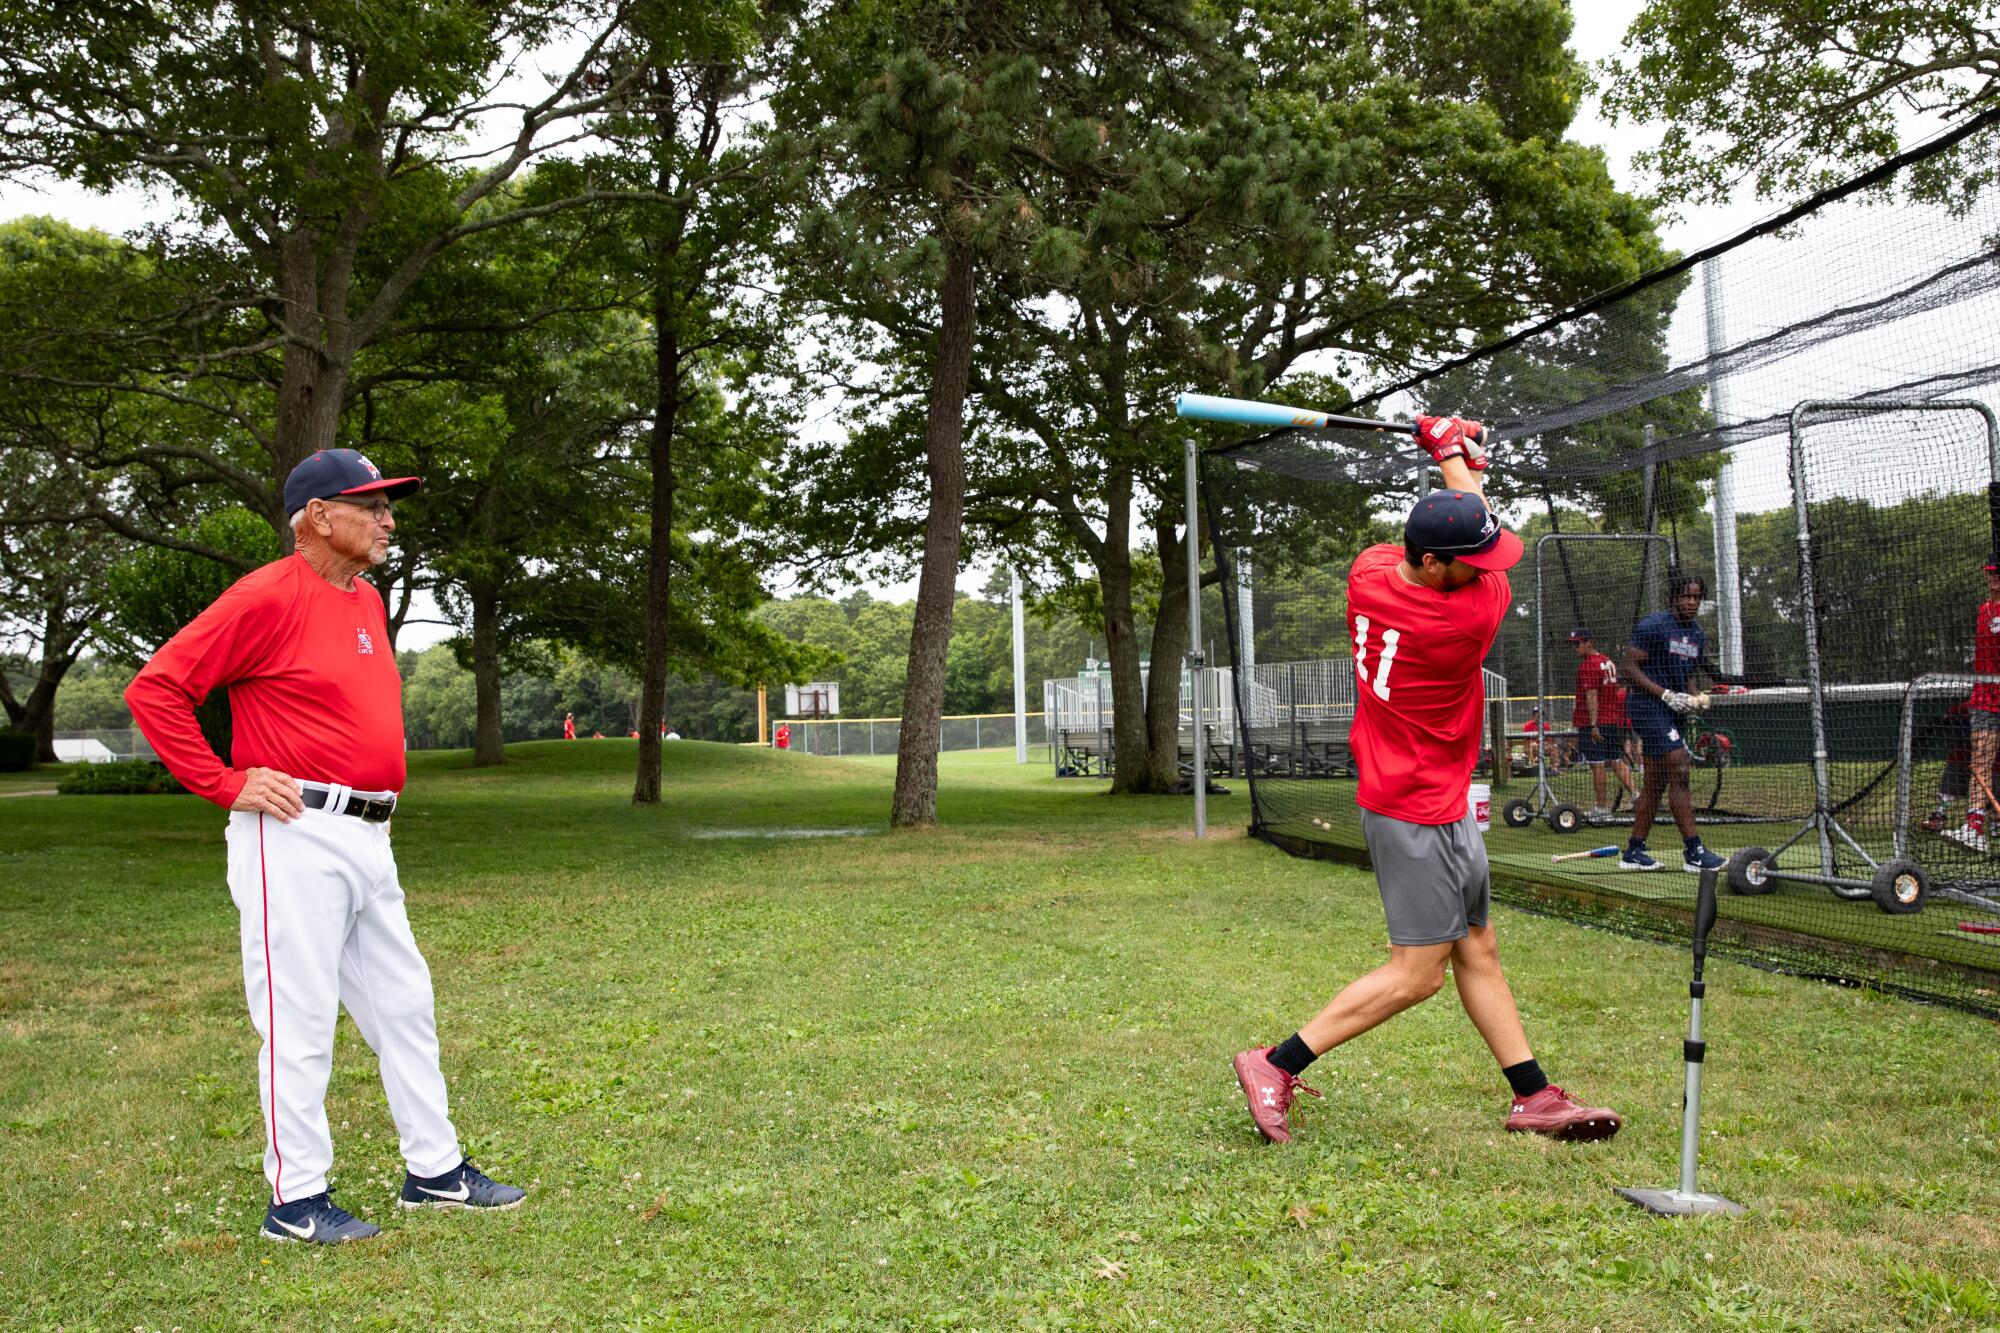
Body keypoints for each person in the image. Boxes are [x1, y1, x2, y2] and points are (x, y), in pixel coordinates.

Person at [124, 448, 526, 1247]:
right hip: (294, 833)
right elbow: (156, 689)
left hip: (370, 835)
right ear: (317, 516)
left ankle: (435, 1170)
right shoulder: (266, 593)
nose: (389, 518)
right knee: (299, 1020)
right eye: (371, 504)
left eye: (389, 504)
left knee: (405, 1005)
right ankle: (296, 1199)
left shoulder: (367, 600)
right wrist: (224, 781)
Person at [1232, 415, 1622, 1147]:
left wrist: (1458, 461)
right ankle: (1274, 1062)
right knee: (1417, 973)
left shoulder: (1371, 571)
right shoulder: (1466, 619)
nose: (1484, 566)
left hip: (1420, 793)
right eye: (1470, 560)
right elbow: (1480, 544)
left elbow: (1462, 521)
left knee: (1478, 945)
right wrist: (1448, 451)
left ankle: (1532, 1094)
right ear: (1439, 566)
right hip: (1417, 804)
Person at [1619, 573, 1750, 872]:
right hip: (1647, 707)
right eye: (1686, 596)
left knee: (1655, 782)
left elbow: (1688, 674)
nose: (1691, 601)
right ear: (1674, 597)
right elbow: (1629, 666)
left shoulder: (1697, 635)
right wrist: (1664, 694)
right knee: (1679, 767)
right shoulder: (1653, 626)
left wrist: (1694, 698)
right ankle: (1694, 852)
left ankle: (1634, 851)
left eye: (1696, 597)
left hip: (1673, 711)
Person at [1944, 561, 2000, 851]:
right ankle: (1974, 827)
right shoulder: (1983, 611)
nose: (1993, 577)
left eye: (1998, 572)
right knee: (1981, 760)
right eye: (1990, 572)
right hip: (1986, 699)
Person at [1569, 628, 1639, 822]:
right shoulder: (1607, 661)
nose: (1575, 648)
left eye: (1578, 643)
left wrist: (1593, 725)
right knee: (1616, 760)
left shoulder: (1588, 665)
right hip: (1613, 720)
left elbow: (1592, 695)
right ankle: (1636, 795)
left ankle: (1602, 808)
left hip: (1596, 722)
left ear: (1589, 642)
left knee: (1597, 764)